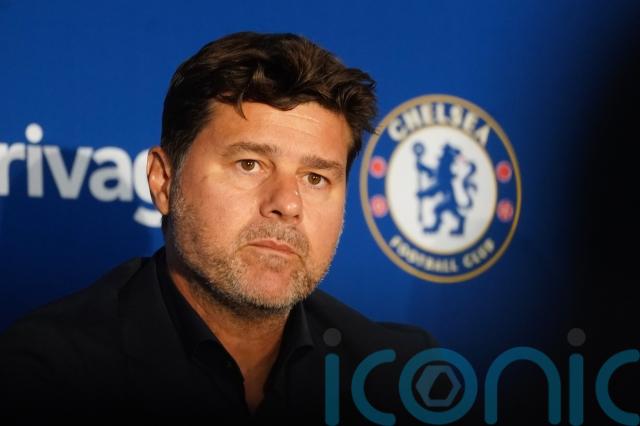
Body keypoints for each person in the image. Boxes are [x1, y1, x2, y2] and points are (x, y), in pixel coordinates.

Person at [0, 32, 438, 424]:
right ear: (163, 181)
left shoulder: (396, 375)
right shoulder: (49, 375)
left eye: (315, 178)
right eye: (250, 164)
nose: (287, 204)